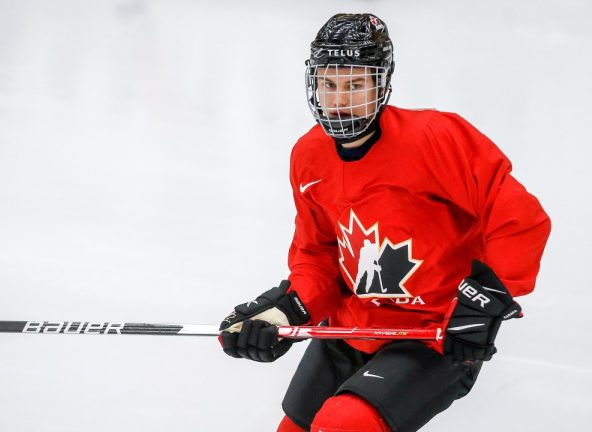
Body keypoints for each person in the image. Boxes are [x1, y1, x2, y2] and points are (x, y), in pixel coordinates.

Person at [218, 13, 550, 432]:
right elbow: (318, 257)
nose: (339, 101)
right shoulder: (309, 155)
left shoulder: (434, 138)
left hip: (432, 335)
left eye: (355, 85)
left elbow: (520, 218)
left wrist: (485, 299)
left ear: (381, 83)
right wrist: (284, 313)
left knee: (344, 424)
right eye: (328, 83)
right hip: (351, 326)